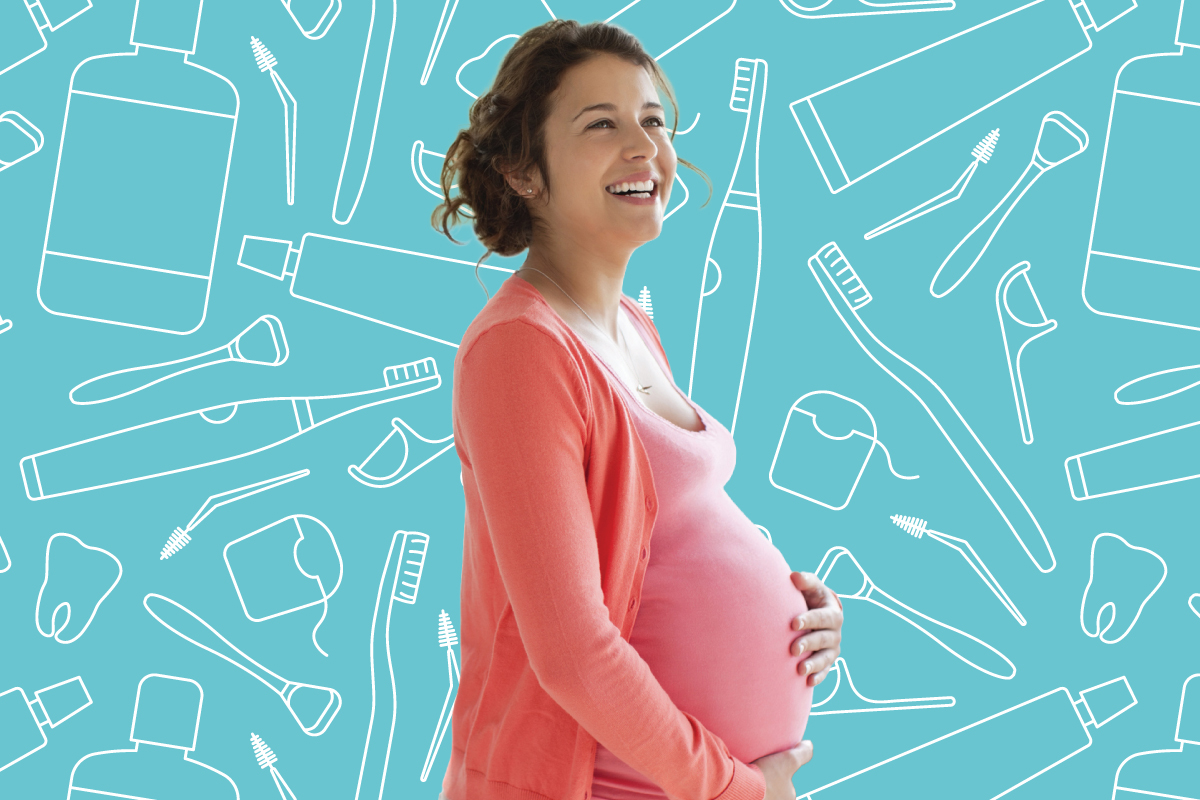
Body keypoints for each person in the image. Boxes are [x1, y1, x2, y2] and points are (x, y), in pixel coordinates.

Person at [435, 19, 843, 800]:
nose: (645, 147)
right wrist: (731, 788)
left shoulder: (630, 325)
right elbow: (572, 652)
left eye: (654, 121)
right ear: (523, 170)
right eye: (603, 124)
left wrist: (794, 608)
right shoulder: (520, 350)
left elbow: (658, 532)